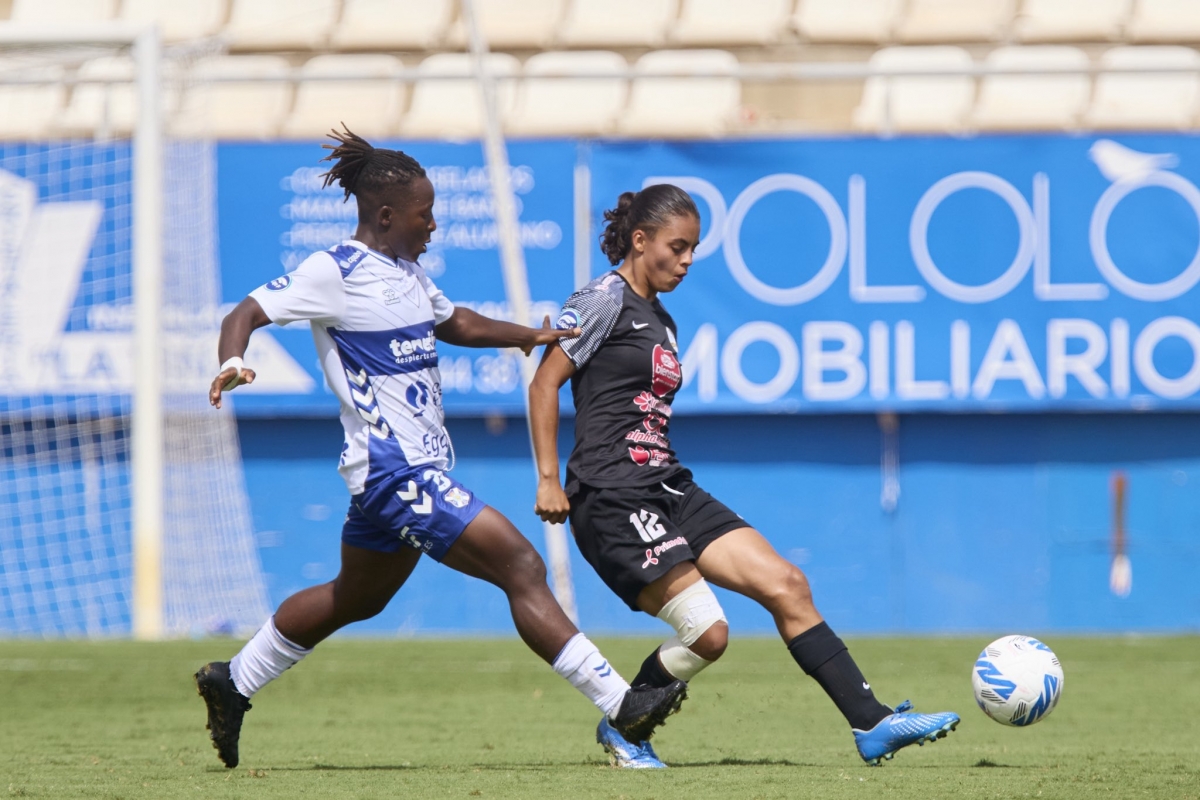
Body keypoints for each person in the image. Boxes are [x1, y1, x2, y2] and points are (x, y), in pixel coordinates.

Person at [194, 128, 685, 771]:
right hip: (395, 472)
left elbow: (453, 322)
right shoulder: (332, 271)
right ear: (387, 214)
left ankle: (232, 681)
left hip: (402, 474)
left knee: (358, 597)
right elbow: (249, 311)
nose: (434, 223)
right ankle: (622, 704)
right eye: (425, 213)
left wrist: (530, 335)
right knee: (521, 566)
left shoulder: (407, 272)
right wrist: (233, 359)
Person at [528, 184, 959, 768]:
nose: (685, 261)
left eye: (693, 250)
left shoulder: (662, 319)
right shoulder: (602, 298)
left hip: (668, 486)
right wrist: (549, 479)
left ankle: (873, 722)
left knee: (787, 584)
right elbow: (543, 383)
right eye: (675, 247)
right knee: (708, 632)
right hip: (610, 494)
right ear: (639, 240)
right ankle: (626, 727)